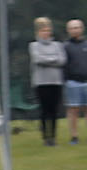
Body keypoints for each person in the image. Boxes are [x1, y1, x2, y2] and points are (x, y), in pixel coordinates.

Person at [30, 18, 66, 146]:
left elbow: (62, 60)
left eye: (48, 30)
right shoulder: (34, 45)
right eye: (43, 30)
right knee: (44, 110)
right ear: (38, 32)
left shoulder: (58, 45)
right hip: (41, 83)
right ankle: (46, 137)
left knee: (54, 110)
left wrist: (48, 59)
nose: (46, 33)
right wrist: (53, 59)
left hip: (56, 82)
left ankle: (53, 137)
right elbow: (38, 60)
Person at [63, 18, 87, 144]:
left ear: (82, 29)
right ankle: (74, 136)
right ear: (68, 30)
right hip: (72, 82)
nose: (75, 30)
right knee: (73, 110)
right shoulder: (65, 46)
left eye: (77, 27)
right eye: (72, 28)